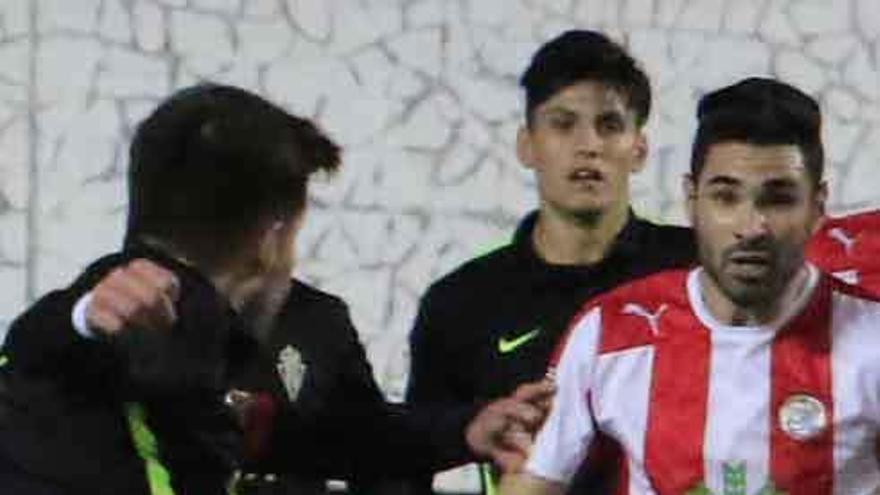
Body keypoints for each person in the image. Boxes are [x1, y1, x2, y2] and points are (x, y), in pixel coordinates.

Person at [0, 83, 550, 494]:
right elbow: (41, 347)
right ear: (272, 238)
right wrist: (80, 318)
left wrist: (464, 429)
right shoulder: (132, 321)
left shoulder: (238, 347)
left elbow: (332, 435)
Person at [502, 77, 880, 494]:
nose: (752, 227)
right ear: (691, 199)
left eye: (779, 199)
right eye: (726, 197)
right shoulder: (612, 332)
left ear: (818, 208)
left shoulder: (872, 337)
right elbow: (535, 483)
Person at [403, 30, 695, 494]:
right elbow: (406, 458)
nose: (589, 146)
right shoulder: (461, 302)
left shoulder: (693, 272)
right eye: (563, 124)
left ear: (638, 149)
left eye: (610, 125)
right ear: (527, 145)